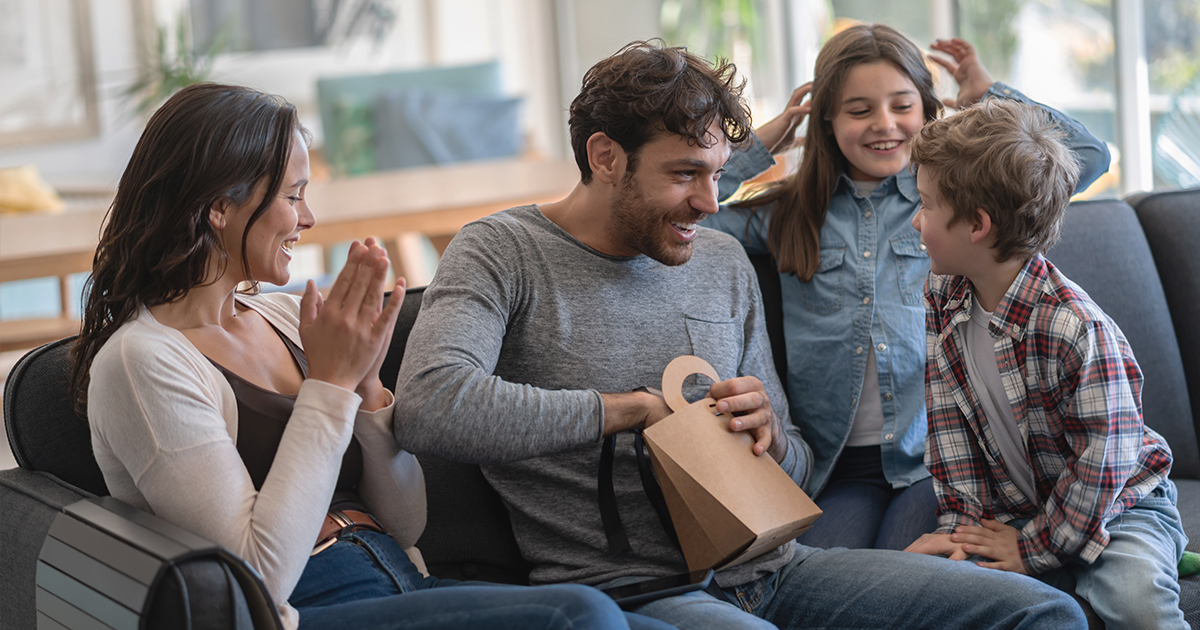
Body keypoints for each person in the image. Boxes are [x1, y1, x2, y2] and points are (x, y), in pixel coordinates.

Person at [394, 40, 1087, 630]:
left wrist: (769, 436)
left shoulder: (718, 259)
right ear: (605, 156)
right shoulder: (501, 251)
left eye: (719, 174)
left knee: (1042, 613)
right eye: (685, 174)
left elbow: (789, 462)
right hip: (641, 592)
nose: (709, 202)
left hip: (780, 567)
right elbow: (431, 407)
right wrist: (629, 410)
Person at [69, 83, 672, 630]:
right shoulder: (141, 363)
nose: (307, 218)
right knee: (581, 616)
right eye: (292, 195)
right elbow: (254, 573)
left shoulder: (285, 318)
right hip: (307, 608)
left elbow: (406, 525)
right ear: (217, 208)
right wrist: (329, 385)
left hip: (398, 578)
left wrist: (366, 389)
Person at [703, 25, 1111, 550]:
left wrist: (987, 94)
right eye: (859, 110)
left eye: (902, 105)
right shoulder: (791, 213)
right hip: (838, 470)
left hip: (937, 464)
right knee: (824, 583)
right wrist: (760, 145)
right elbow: (693, 216)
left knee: (911, 573)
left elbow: (1088, 156)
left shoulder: (950, 207)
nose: (885, 125)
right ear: (825, 120)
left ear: (927, 107)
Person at [903, 97, 1186, 629]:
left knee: (1135, 604)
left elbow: (1105, 462)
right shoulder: (942, 292)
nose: (916, 219)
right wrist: (964, 534)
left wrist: (1033, 549)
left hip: (1116, 506)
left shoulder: (1074, 327)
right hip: (1021, 504)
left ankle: (1149, 551)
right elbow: (948, 428)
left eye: (925, 204)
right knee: (938, 587)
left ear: (977, 225)